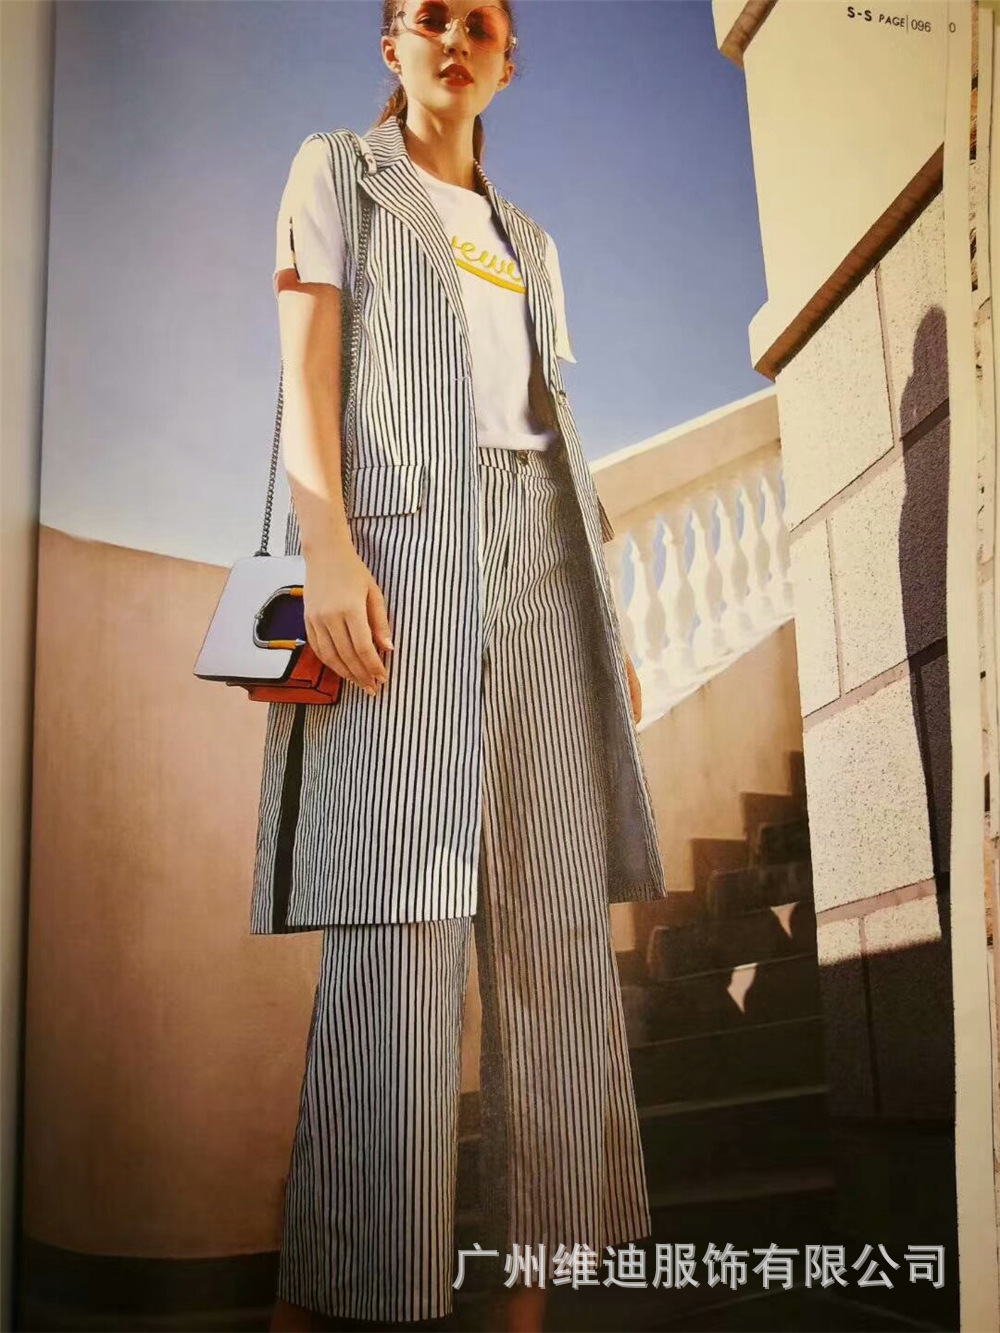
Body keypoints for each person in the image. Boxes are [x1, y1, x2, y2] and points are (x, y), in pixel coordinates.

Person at [261, 2, 668, 1329]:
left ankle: (526, 1318)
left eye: (478, 21)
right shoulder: (338, 170)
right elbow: (307, 372)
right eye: (427, 16)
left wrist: (611, 632)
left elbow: (558, 427)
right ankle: (352, 1302)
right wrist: (325, 544)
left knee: (557, 946)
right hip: (400, 557)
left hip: (547, 557)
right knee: (399, 940)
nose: (453, 36)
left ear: (506, 58)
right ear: (392, 44)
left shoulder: (532, 243)